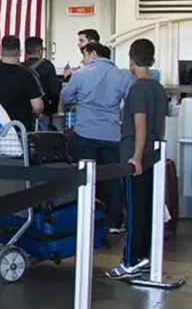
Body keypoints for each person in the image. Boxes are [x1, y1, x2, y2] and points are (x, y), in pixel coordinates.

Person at [107, 38, 167, 280]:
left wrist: (137, 157)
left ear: (131, 61)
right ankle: (143, 257)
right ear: (152, 61)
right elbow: (158, 126)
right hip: (153, 155)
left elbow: (139, 124)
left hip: (135, 157)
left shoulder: (137, 89)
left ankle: (130, 260)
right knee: (146, 209)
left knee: (134, 209)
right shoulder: (159, 89)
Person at [61, 41, 131, 233]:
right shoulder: (123, 76)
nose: (83, 59)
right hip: (111, 135)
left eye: (84, 55)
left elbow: (66, 97)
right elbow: (130, 102)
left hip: (85, 133)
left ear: (93, 54)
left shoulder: (81, 74)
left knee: (84, 177)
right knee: (113, 178)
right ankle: (116, 222)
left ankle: (84, 219)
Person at [0, 35, 44, 131]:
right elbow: (38, 106)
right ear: (20, 52)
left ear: (1, 51)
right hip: (19, 128)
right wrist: (36, 114)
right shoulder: (25, 75)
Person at [22, 36, 61, 130]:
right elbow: (54, 91)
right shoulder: (47, 66)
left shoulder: (20, 67)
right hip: (43, 113)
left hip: (24, 114)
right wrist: (51, 110)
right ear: (40, 50)